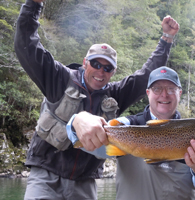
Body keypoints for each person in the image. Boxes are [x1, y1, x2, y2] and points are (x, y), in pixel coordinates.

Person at [14, 0, 179, 199]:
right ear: (85, 63)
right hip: (46, 175)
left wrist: (166, 38)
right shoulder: (59, 78)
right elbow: (27, 46)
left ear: (113, 72)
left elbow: (146, 75)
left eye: (107, 68)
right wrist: (34, 5)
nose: (101, 71)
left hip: (85, 181)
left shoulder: (115, 94)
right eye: (95, 64)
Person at [78, 66, 195, 200]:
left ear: (179, 93)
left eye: (170, 89)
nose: (164, 95)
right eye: (157, 89)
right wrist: (78, 120)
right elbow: (88, 142)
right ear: (148, 93)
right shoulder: (127, 124)